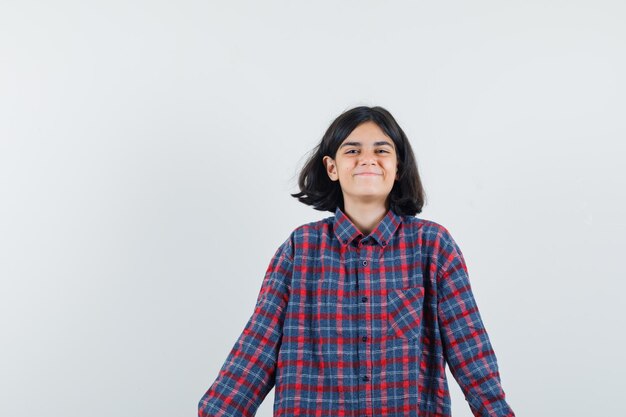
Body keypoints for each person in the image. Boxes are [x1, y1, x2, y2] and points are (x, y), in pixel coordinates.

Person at [198, 106, 515, 417]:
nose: (367, 159)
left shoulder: (433, 247)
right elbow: (258, 348)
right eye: (352, 150)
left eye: (381, 150)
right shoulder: (300, 249)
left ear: (398, 167)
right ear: (332, 167)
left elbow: (471, 353)